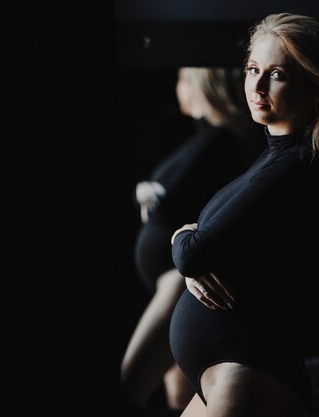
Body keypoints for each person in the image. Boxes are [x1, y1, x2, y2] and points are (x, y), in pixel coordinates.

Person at [169, 13, 319, 417]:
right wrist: (190, 240)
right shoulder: (276, 157)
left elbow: (193, 254)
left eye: (276, 74)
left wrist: (182, 237)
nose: (257, 86)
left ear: (316, 88)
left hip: (247, 377)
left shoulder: (299, 165)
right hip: (230, 375)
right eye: (252, 70)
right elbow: (202, 249)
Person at [121, 67, 263, 412]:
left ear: (199, 84)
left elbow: (184, 203)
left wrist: (156, 199)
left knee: (128, 387)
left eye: (181, 79)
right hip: (171, 277)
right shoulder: (204, 138)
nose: (176, 88)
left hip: (177, 279)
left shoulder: (219, 140)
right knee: (177, 399)